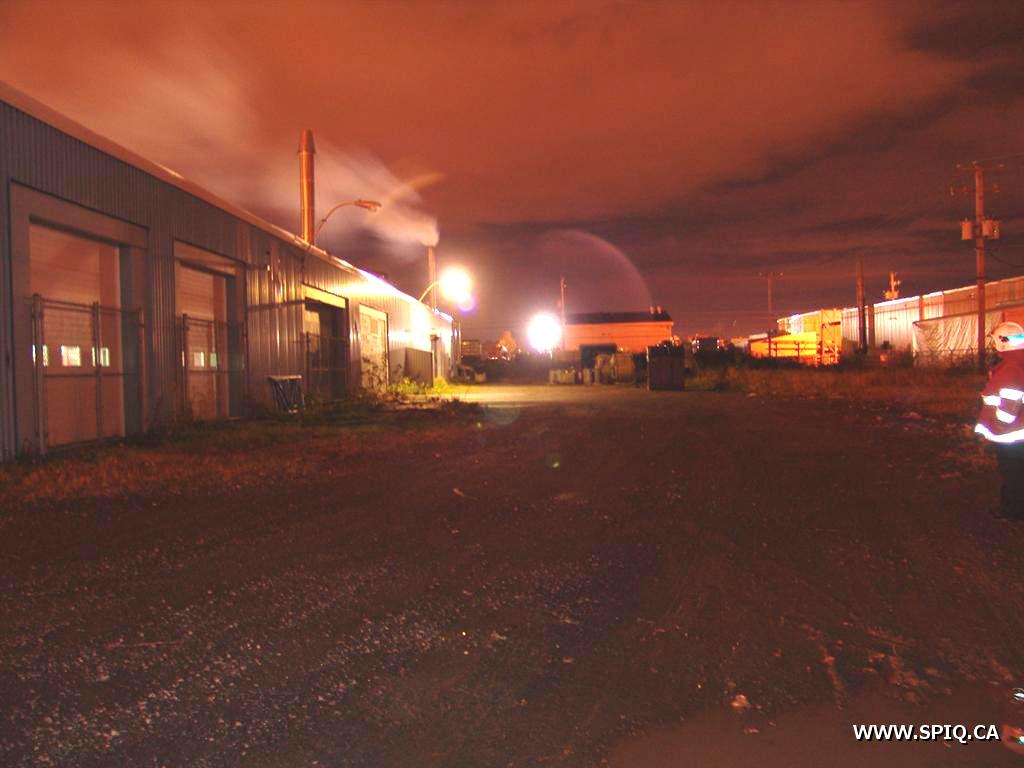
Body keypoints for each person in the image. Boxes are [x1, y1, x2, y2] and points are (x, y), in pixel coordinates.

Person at [975, 321, 1024, 521]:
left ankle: (1013, 512)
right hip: (1018, 432)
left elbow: (1010, 401)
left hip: (1011, 434)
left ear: (1003, 341)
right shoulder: (1017, 362)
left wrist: (1000, 424)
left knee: (1012, 473)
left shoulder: (1011, 366)